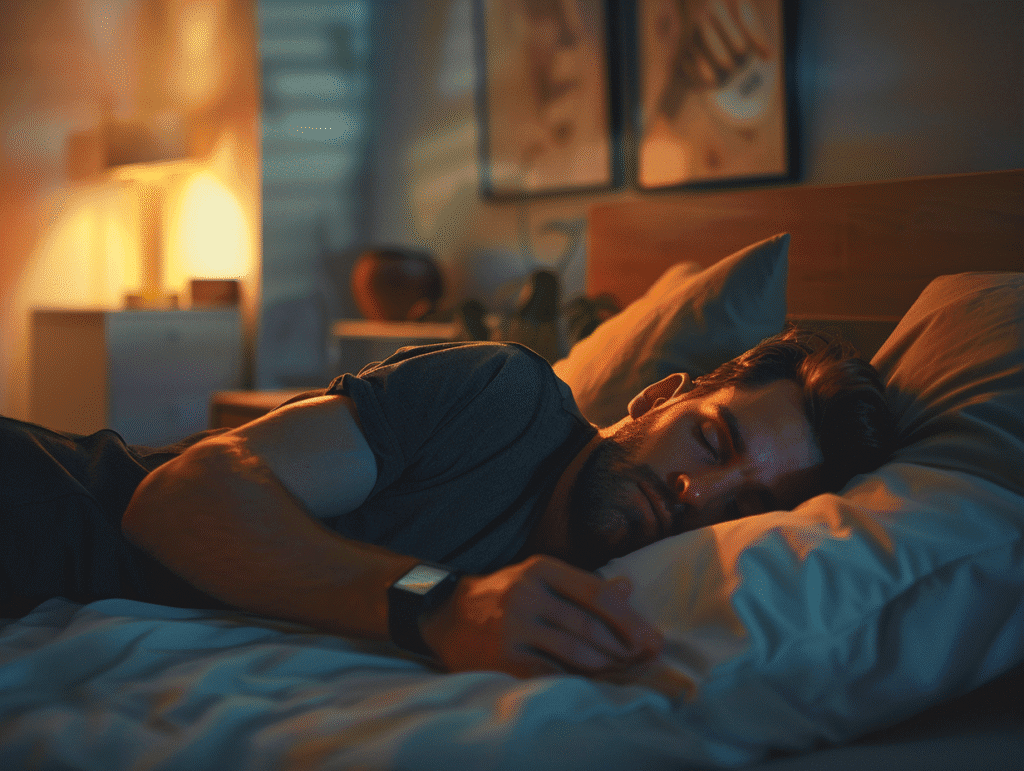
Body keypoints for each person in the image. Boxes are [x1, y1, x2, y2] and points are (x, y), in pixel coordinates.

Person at [0, 327, 892, 680]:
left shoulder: (643, 596)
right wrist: (441, 602)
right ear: (658, 399)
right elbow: (180, 498)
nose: (701, 493)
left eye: (750, 504)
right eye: (717, 440)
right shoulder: (505, 400)